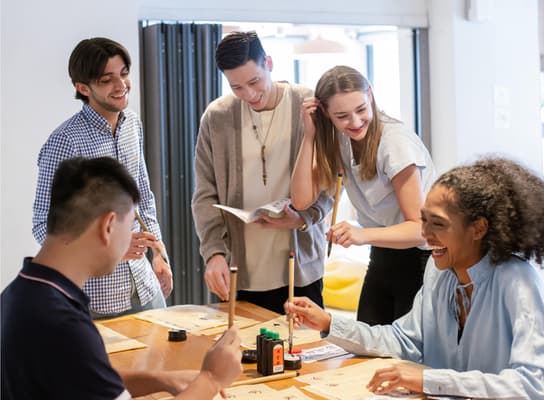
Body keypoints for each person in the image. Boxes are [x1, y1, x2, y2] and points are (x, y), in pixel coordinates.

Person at [286, 157, 544, 399]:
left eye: (437, 224)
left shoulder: (516, 278)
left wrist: (429, 381)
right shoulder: (438, 271)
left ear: (478, 228)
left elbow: (536, 384)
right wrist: (329, 322)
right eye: (423, 220)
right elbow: (405, 340)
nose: (425, 233)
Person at [3, 157, 243, 399]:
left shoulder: (18, 294)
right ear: (108, 226)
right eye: (129, 228)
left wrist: (161, 379)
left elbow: (82, 376)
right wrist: (211, 378)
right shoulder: (64, 324)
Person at [192, 31, 332, 314]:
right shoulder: (217, 117)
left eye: (254, 81)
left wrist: (304, 218)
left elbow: (329, 179)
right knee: (245, 353)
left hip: (299, 265)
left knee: (304, 352)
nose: (249, 94)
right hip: (241, 268)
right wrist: (214, 253)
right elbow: (205, 194)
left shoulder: (307, 105)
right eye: (237, 87)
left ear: (268, 62)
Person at [32, 37, 172, 319]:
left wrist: (159, 253)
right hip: (96, 300)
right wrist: (112, 250)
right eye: (107, 79)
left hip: (144, 284)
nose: (121, 85)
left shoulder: (132, 124)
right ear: (83, 87)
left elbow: (143, 196)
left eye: (123, 74)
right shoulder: (64, 142)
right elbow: (44, 227)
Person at [291, 65, 436, 325]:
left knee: (404, 357)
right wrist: (310, 136)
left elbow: (420, 229)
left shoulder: (395, 142)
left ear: (370, 94)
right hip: (383, 255)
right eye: (342, 116)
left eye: (361, 110)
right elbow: (301, 200)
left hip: (421, 260)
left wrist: (360, 234)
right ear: (325, 113)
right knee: (366, 347)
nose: (355, 123)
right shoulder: (338, 139)